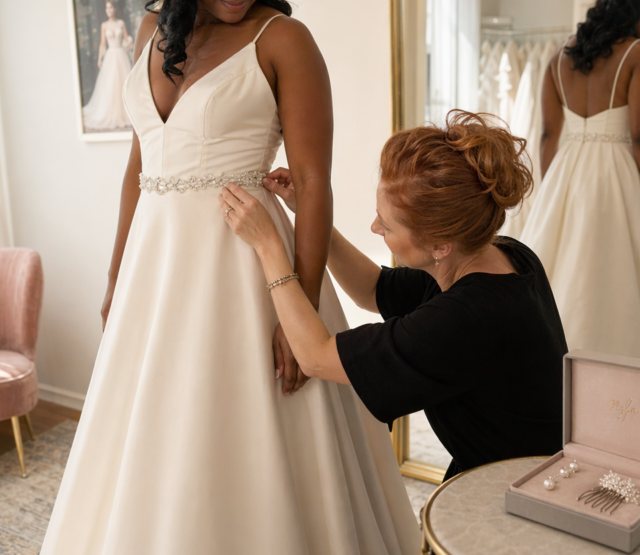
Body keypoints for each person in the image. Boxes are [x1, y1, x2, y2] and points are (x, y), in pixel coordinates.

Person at [41, 0, 419, 554]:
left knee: (251, 438)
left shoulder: (284, 40)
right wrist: (114, 277)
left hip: (246, 268)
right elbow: (138, 170)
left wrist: (298, 309)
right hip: (153, 273)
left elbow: (312, 180)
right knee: (151, 442)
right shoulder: (154, 30)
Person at [221, 110, 568, 482]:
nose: (374, 227)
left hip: (516, 488)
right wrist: (307, 211)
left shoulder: (466, 319)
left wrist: (268, 245)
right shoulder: (497, 255)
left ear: (439, 244)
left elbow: (316, 356)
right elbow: (372, 288)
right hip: (508, 461)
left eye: (385, 225)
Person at [519, 0, 640, 363]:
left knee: (563, 276)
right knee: (617, 280)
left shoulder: (558, 57)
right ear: (636, 6)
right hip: (616, 174)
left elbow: (547, 137)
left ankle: (558, 368)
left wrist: (554, 191)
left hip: (566, 173)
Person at [82, 0, 134, 131]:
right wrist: (100, 59)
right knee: (111, 84)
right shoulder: (104, 25)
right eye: (107, 8)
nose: (109, 10)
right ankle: (111, 112)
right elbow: (103, 44)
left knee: (123, 84)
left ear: (115, 9)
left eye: (110, 8)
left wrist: (131, 42)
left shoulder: (121, 23)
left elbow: (127, 39)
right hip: (110, 56)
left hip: (121, 55)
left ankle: (126, 113)